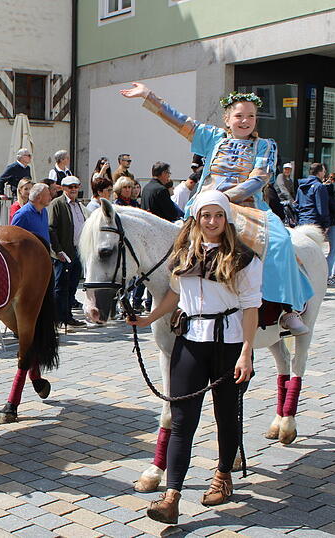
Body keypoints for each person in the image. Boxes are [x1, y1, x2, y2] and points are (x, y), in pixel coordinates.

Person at [122, 83, 311, 336]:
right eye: (239, 115)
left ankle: (286, 309)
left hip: (248, 207)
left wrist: (221, 198)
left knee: (279, 241)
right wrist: (149, 97)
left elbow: (258, 179)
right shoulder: (212, 137)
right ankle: (180, 302)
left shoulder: (265, 146)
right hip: (205, 207)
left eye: (251, 116)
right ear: (227, 118)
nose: (245, 121)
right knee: (178, 247)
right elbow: (180, 122)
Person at [127, 190, 260, 524]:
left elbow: (251, 307)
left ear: (226, 218)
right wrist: (148, 318)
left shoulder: (243, 257)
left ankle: (223, 476)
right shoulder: (183, 252)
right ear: (197, 218)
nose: (211, 222)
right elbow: (176, 292)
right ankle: (171, 497)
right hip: (189, 342)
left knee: (226, 414)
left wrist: (246, 352)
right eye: (205, 216)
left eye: (217, 215)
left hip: (227, 344)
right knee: (182, 419)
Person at [48, 176, 87, 328]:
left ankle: (68, 316)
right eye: (70, 186)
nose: (73, 189)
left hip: (78, 251)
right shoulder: (57, 204)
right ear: (63, 188)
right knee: (61, 286)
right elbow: (51, 228)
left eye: (76, 186)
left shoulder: (78, 204)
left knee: (72, 286)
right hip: (64, 252)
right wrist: (58, 250)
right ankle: (59, 318)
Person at [10, 182, 52, 248]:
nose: (50, 198)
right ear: (38, 197)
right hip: (28, 256)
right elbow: (12, 239)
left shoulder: (44, 211)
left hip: (43, 255)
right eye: (48, 195)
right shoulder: (22, 214)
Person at [296, 163, 333, 229]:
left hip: (302, 223)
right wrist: (326, 225)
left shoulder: (301, 186)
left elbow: (296, 205)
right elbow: (322, 208)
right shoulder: (319, 186)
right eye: (324, 172)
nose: (324, 174)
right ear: (319, 173)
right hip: (315, 224)